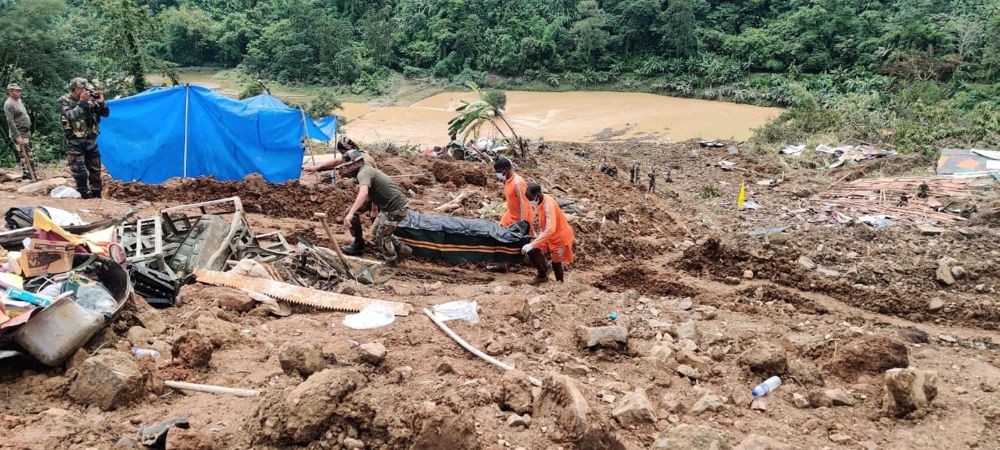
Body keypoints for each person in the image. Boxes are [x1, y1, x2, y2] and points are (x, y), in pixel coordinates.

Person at [303, 136, 378, 254]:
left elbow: (372, 188)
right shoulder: (356, 154)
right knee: (352, 213)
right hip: (370, 192)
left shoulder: (365, 163)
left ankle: (385, 245)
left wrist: (374, 208)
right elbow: (337, 161)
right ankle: (359, 243)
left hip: (378, 195)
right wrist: (318, 168)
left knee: (378, 220)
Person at [339, 150, 412, 265]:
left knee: (381, 237)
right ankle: (402, 249)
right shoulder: (366, 170)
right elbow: (373, 192)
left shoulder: (363, 173)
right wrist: (373, 208)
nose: (346, 169)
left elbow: (363, 193)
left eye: (348, 166)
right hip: (390, 207)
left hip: (396, 209)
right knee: (374, 233)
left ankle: (392, 261)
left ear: (355, 164)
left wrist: (351, 213)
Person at [57, 77, 109, 198]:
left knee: (95, 169)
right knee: (79, 171)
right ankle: (83, 194)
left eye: (86, 89)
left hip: (91, 140)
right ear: (75, 89)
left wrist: (101, 103)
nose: (86, 91)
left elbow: (105, 113)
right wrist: (81, 102)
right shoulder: (63, 101)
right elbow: (70, 116)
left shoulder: (89, 100)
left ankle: (96, 194)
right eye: (83, 89)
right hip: (74, 141)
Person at [521, 183, 574, 283]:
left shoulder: (547, 205)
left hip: (560, 237)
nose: (530, 202)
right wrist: (535, 242)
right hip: (549, 235)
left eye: (531, 199)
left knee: (556, 263)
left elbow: (550, 229)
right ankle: (543, 275)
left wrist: (533, 243)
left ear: (537, 195)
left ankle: (560, 284)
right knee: (533, 250)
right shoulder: (540, 201)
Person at [3, 83, 36, 180]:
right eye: (17, 91)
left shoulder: (19, 100)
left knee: (28, 152)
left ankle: (29, 173)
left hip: (26, 131)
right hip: (19, 133)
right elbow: (10, 122)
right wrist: (17, 136)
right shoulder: (8, 104)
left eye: (19, 91)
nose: (19, 93)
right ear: (10, 92)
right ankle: (29, 174)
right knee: (25, 153)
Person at [494, 157, 534, 234]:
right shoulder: (506, 179)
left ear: (506, 169)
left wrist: (523, 224)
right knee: (499, 233)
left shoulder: (517, 183)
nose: (498, 174)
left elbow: (524, 204)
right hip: (510, 215)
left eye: (499, 172)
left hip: (520, 218)